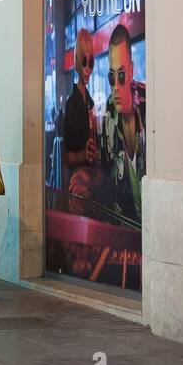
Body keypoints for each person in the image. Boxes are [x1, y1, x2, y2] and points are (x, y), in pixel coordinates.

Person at [99, 24, 146, 223]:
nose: (116, 87)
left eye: (121, 75)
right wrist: (90, 181)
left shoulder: (150, 106)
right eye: (111, 76)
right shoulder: (109, 112)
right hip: (125, 230)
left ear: (132, 71)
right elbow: (105, 173)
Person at [61, 29, 100, 210]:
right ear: (78, 61)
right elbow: (66, 157)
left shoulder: (90, 102)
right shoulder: (72, 104)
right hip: (77, 187)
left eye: (90, 62)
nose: (87, 68)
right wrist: (83, 155)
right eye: (84, 62)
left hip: (92, 184)